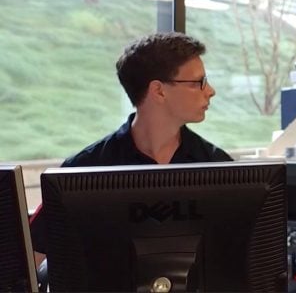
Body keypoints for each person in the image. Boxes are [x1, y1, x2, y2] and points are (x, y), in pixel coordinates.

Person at [30, 32, 231, 266]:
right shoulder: (81, 171)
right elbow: (29, 259)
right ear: (158, 91)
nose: (210, 90)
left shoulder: (220, 167)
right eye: (199, 82)